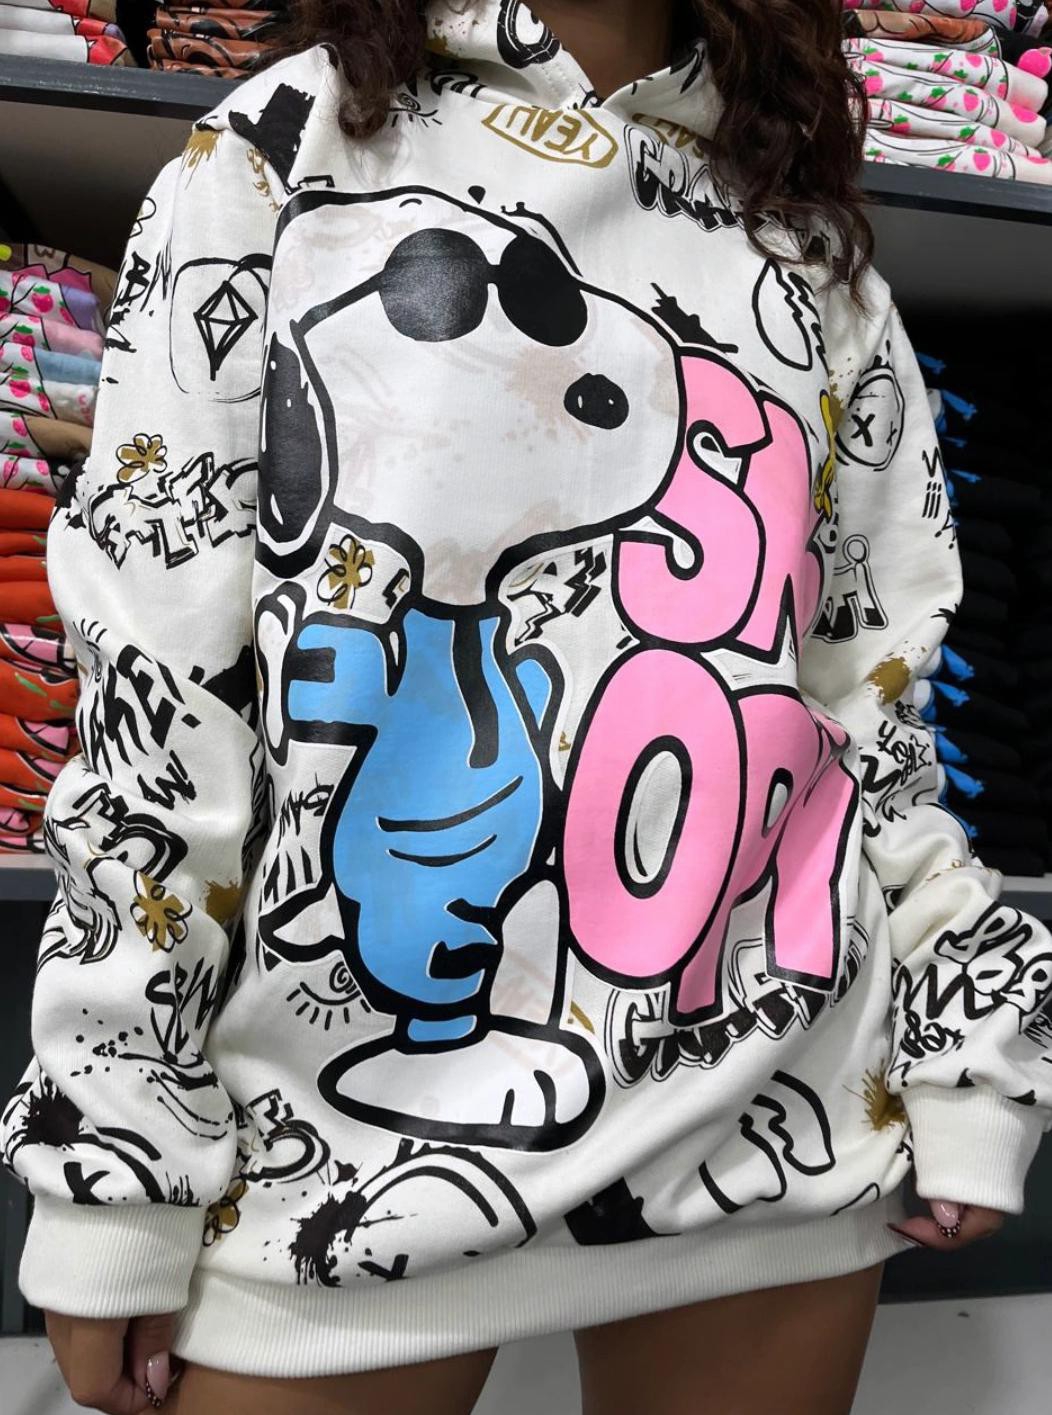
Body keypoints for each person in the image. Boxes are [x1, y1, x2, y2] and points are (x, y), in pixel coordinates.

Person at [3, 1, 1051, 1412]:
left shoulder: (808, 252)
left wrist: (972, 1061)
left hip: (772, 1129)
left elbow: (871, 715)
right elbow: (160, 696)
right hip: (332, 1157)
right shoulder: (281, 150)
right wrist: (114, 1156)